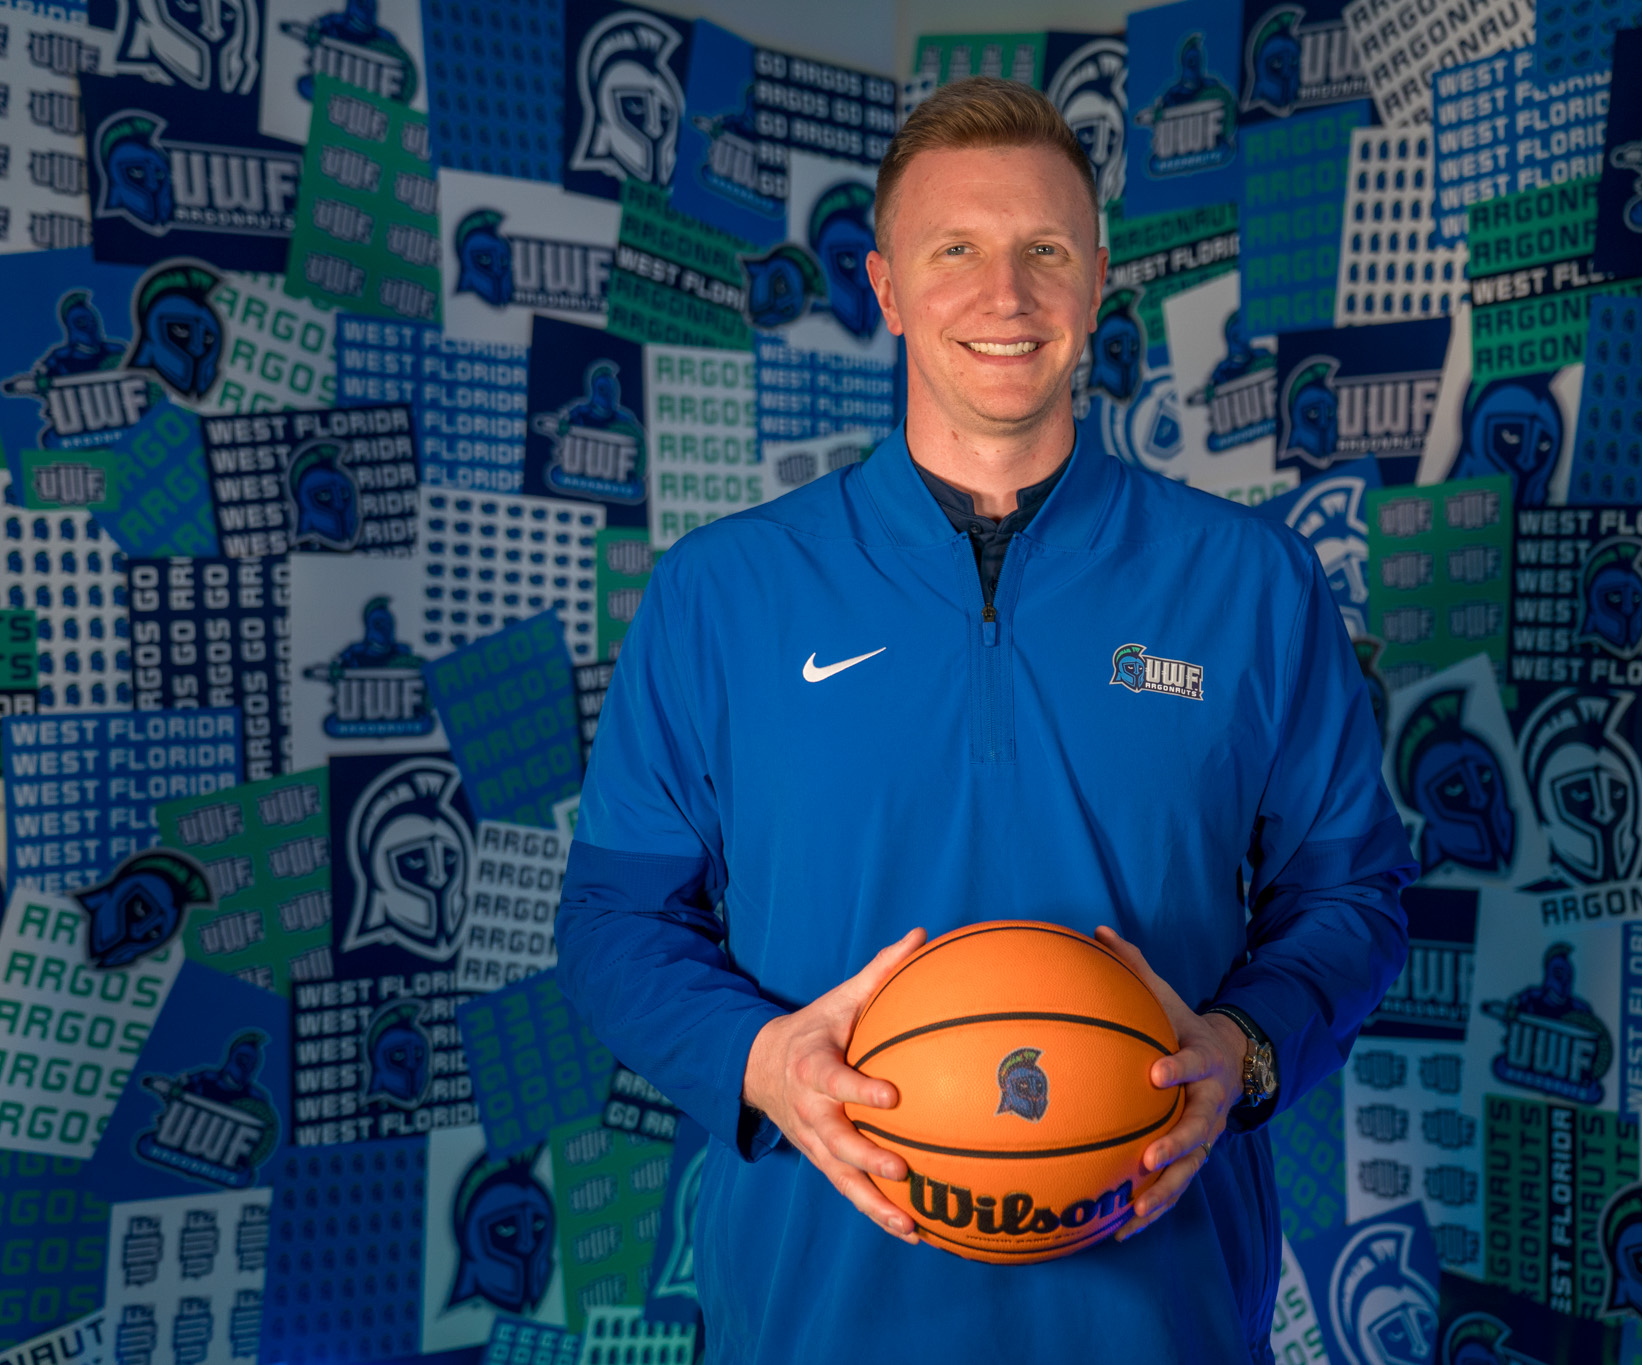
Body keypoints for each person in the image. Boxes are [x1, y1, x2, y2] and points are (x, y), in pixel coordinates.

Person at [556, 76, 1415, 1365]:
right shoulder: (719, 595)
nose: (1004, 296)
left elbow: (1352, 898)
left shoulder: (1253, 585)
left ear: (1099, 280)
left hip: (1159, 1316)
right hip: (820, 1316)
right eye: (955, 249)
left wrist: (1244, 1046)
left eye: (1044, 251)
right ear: (887, 286)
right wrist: (759, 1062)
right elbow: (615, 922)